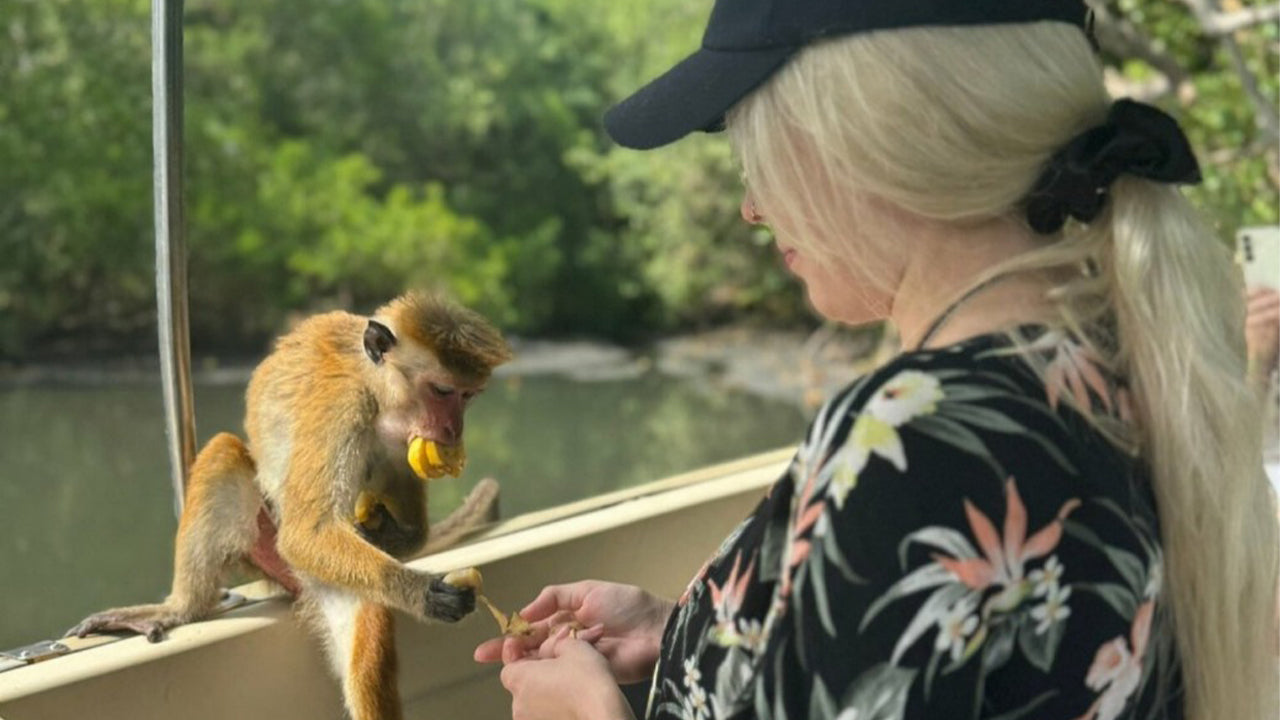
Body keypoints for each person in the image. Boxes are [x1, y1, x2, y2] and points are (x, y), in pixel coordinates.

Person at [474, 1, 1280, 718]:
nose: (752, 206)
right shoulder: (1121, 363)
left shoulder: (917, 440)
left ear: (867, 141)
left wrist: (587, 712)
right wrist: (688, 634)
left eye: (762, 151)